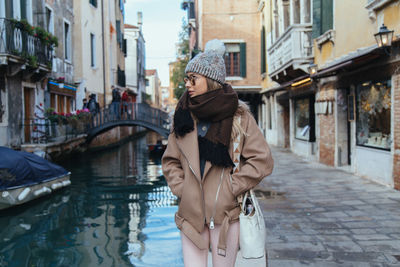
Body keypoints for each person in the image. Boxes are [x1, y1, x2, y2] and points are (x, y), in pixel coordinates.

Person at [162, 39, 274, 267]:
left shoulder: (240, 117)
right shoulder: (183, 116)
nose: (187, 84)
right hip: (191, 216)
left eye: (193, 79)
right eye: (186, 79)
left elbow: (261, 161)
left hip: (225, 215)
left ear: (210, 80)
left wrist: (230, 189)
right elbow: (170, 161)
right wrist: (182, 190)